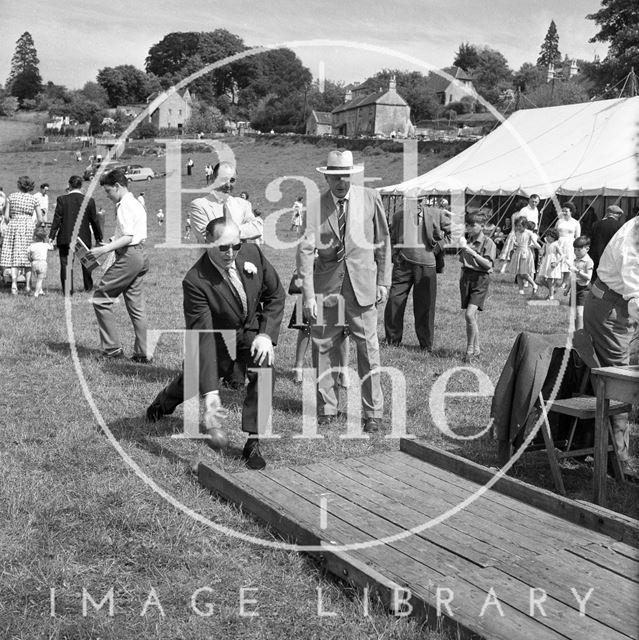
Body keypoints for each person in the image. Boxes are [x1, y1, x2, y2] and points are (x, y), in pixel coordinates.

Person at [146, 217, 286, 470]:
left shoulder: (252, 252)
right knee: (193, 379)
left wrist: (265, 335)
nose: (231, 253)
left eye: (236, 245)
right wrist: (211, 396)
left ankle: (254, 440)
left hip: (250, 333)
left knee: (265, 369)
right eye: (223, 247)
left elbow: (275, 294)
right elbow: (203, 336)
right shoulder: (195, 281)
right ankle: (163, 403)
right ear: (206, 241)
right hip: (218, 340)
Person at [297, 149, 391, 432]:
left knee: (368, 349)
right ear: (327, 177)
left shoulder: (371, 198)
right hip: (327, 288)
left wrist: (384, 282)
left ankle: (373, 412)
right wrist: (309, 296)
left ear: (353, 174)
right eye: (335, 176)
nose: (341, 181)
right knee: (324, 346)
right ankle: (328, 406)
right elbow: (304, 251)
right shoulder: (315, 206)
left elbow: (384, 242)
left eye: (346, 175)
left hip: (363, 286)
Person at [583, 216, 639, 475]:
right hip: (611, 310)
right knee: (619, 382)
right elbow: (635, 297)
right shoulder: (633, 243)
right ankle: (620, 462)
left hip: (617, 306)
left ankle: (602, 449)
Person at [87, 168, 150, 362]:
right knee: (136, 306)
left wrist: (103, 250)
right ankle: (142, 353)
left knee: (100, 298)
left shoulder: (124, 205)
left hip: (129, 255)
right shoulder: (136, 203)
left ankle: (112, 350)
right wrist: (112, 242)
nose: (107, 196)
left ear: (117, 186)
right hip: (140, 254)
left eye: (108, 191)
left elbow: (128, 237)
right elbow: (129, 235)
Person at [384, 197, 451, 352]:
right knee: (394, 300)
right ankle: (392, 340)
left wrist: (438, 247)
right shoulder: (398, 216)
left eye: (420, 200)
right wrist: (396, 255)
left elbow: (454, 231)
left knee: (425, 306)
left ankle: (425, 345)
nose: (418, 204)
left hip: (426, 265)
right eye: (414, 201)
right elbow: (392, 238)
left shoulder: (437, 214)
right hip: (403, 265)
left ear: (425, 199)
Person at [49, 175, 103, 294]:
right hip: (83, 237)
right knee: (86, 263)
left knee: (65, 264)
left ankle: (68, 291)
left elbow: (57, 219)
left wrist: (51, 236)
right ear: (81, 185)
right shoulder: (89, 200)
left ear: (69, 185)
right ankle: (88, 287)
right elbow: (94, 220)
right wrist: (99, 237)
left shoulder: (61, 199)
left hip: (65, 237)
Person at [189, 162, 263, 243]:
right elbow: (208, 239)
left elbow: (257, 229)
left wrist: (224, 231)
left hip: (242, 255)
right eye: (223, 179)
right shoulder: (199, 205)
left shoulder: (243, 204)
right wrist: (244, 231)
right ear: (213, 178)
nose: (228, 185)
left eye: (232, 180)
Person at [457, 212, 496, 363]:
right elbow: (463, 261)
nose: (470, 228)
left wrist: (472, 252)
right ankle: (477, 349)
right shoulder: (467, 241)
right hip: (467, 278)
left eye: (473, 225)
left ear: (483, 226)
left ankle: (469, 350)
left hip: (480, 279)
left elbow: (488, 265)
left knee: (469, 315)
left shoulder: (488, 242)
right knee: (472, 317)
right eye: (468, 225)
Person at [0, 176, 43, 294]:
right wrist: (34, 226)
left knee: (15, 256)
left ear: (19, 185)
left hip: (14, 225)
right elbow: (40, 219)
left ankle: (14, 284)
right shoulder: (34, 199)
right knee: (28, 257)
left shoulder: (11, 197)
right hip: (28, 226)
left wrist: (13, 223)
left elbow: (7, 216)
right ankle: (28, 286)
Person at [503, 216, 539, 295]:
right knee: (518, 273)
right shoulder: (517, 233)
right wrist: (515, 244)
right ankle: (521, 290)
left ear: (525, 225)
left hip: (525, 253)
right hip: (518, 252)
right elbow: (518, 243)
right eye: (517, 226)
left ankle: (534, 284)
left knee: (524, 273)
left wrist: (536, 246)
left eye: (520, 226)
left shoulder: (529, 233)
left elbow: (534, 242)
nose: (518, 227)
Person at [564, 235, 593, 331]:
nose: (576, 252)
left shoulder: (588, 261)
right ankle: (576, 331)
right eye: (575, 250)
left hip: (584, 290)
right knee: (574, 313)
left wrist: (576, 271)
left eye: (579, 250)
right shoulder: (575, 260)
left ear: (587, 249)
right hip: (574, 288)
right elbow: (572, 276)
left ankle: (580, 334)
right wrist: (567, 288)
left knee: (580, 312)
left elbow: (588, 277)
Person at [590, 205, 623, 281]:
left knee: (595, 277)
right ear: (616, 214)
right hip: (611, 255)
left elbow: (592, 239)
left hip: (596, 254)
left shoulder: (596, 224)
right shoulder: (620, 225)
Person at [555, 201, 581, 289]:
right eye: (563, 211)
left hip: (570, 244)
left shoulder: (576, 223)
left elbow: (577, 236)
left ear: (571, 212)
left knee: (568, 262)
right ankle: (554, 280)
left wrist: (577, 248)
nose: (564, 213)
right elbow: (555, 232)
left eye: (566, 211)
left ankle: (564, 282)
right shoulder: (559, 221)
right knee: (557, 261)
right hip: (559, 242)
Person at [536, 228, 563, 300]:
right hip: (546, 262)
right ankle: (552, 290)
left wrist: (556, 263)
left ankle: (551, 296)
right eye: (547, 235)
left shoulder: (556, 244)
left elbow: (562, 255)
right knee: (541, 280)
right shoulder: (546, 244)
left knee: (550, 280)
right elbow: (542, 253)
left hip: (552, 263)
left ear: (554, 237)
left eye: (549, 236)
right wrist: (540, 247)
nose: (547, 237)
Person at [27, 226, 52, 297]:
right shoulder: (45, 245)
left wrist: (30, 260)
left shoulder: (32, 246)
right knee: (40, 280)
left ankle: (40, 291)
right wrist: (49, 241)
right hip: (42, 263)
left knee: (37, 278)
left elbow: (28, 255)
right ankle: (36, 293)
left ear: (35, 237)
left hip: (34, 263)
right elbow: (52, 247)